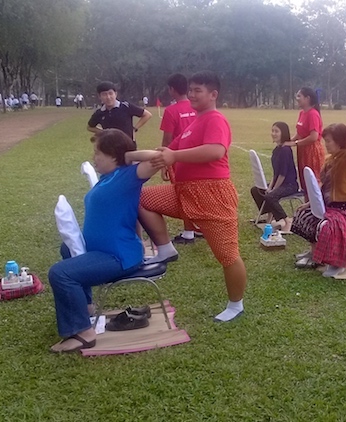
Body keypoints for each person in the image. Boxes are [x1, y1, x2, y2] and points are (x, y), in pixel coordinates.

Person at [137, 71, 247, 323]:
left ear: (213, 94)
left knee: (227, 256)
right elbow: (166, 150)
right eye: (191, 90)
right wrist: (127, 158)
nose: (193, 94)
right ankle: (166, 250)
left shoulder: (215, 119)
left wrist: (174, 158)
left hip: (212, 196)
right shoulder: (194, 123)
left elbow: (216, 151)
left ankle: (235, 305)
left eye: (199, 90)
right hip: (184, 193)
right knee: (141, 198)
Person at [47, 129, 160, 353]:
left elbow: (159, 158)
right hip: (102, 251)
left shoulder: (129, 176)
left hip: (118, 256)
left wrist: (127, 156)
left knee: (60, 273)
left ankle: (84, 334)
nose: (94, 157)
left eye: (98, 153)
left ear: (114, 155)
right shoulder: (108, 179)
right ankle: (86, 308)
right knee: (67, 249)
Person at [291, 121, 346, 277]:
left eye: (329, 141)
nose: (326, 144)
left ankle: (337, 261)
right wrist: (310, 204)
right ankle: (316, 254)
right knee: (303, 215)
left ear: (339, 142)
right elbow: (323, 187)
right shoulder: (330, 160)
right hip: (330, 207)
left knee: (329, 225)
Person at [159, 73, 199, 245]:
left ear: (172, 90)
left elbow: (167, 140)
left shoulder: (171, 111)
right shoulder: (198, 106)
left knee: (183, 194)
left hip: (179, 158)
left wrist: (163, 163)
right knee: (198, 191)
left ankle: (189, 233)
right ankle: (199, 226)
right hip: (198, 155)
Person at [250, 121, 299, 231]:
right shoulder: (277, 150)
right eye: (272, 131)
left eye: (276, 131)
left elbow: (282, 174)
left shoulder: (285, 150)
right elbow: (276, 173)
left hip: (289, 184)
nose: (273, 133)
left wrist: (273, 189)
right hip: (280, 182)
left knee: (270, 196)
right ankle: (270, 216)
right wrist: (270, 187)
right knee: (256, 190)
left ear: (283, 133)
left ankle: (287, 221)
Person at [87, 81, 152, 143]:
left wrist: (134, 129)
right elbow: (89, 127)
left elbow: (147, 115)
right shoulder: (99, 112)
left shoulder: (126, 106)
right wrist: (103, 132)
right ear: (99, 96)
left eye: (110, 93)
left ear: (115, 94)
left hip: (128, 146)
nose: (108, 97)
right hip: (109, 147)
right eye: (104, 94)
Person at [289, 87, 325, 199]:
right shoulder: (302, 113)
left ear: (307, 98)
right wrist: (288, 141)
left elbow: (314, 137)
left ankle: (317, 209)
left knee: (313, 180)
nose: (297, 98)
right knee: (304, 181)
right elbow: (300, 133)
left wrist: (296, 143)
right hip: (303, 150)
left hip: (312, 151)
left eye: (299, 96)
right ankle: (307, 208)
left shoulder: (313, 114)